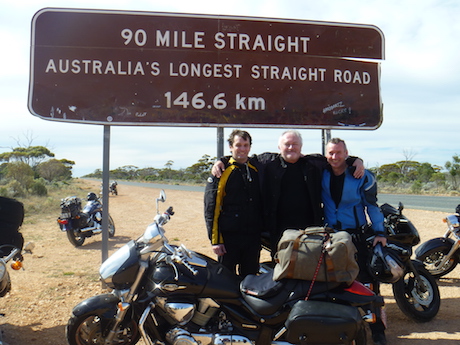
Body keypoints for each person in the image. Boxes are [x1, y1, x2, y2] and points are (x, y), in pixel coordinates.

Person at [213, 130, 364, 255]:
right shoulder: (267, 162)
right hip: (277, 230)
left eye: (295, 144)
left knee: (308, 267)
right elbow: (241, 157)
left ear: (301, 146)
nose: (291, 147)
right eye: (287, 144)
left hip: (310, 230)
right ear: (279, 147)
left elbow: (335, 159)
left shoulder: (313, 163)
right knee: (281, 268)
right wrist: (222, 161)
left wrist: (355, 161)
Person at [321, 137, 387, 345]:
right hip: (332, 235)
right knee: (335, 281)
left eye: (339, 152)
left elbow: (372, 206)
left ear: (346, 154)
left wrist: (380, 232)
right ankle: (342, 326)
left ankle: (377, 330)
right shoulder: (321, 173)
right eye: (331, 153)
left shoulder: (362, 176)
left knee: (368, 281)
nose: (335, 157)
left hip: (357, 235)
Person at [204, 130, 263, 277]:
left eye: (245, 145)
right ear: (230, 146)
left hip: (252, 238)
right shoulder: (221, 171)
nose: (242, 149)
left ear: (250, 147)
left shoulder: (256, 168)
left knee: (250, 279)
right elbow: (212, 208)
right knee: (226, 280)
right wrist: (215, 241)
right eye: (238, 145)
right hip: (228, 239)